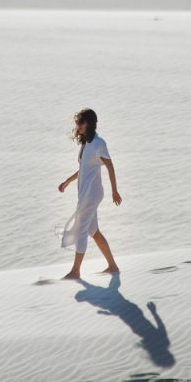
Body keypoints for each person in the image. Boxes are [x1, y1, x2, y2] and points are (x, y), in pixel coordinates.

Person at [57, 108, 121, 279]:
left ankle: (75, 271)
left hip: (91, 194)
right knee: (93, 230)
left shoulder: (99, 143)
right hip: (85, 193)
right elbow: (84, 169)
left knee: (81, 230)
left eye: (80, 122)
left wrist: (115, 191)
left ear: (89, 124)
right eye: (76, 122)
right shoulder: (86, 144)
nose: (77, 126)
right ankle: (113, 266)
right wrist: (68, 181)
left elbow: (110, 166)